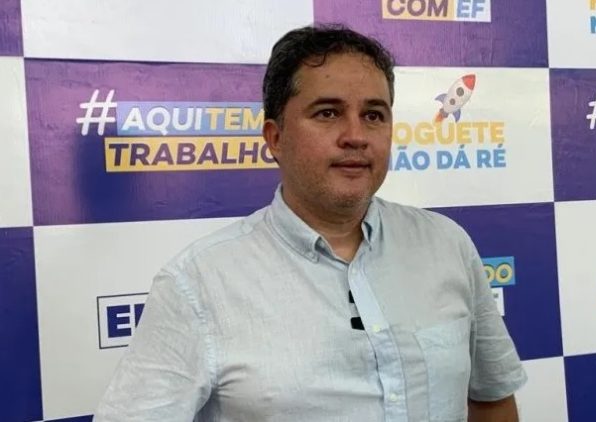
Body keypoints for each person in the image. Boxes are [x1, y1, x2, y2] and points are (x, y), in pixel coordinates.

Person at [94, 24, 527, 422]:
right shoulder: (197, 285)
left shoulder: (447, 245)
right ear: (275, 138)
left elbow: (492, 400)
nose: (356, 135)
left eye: (374, 115)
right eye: (328, 113)